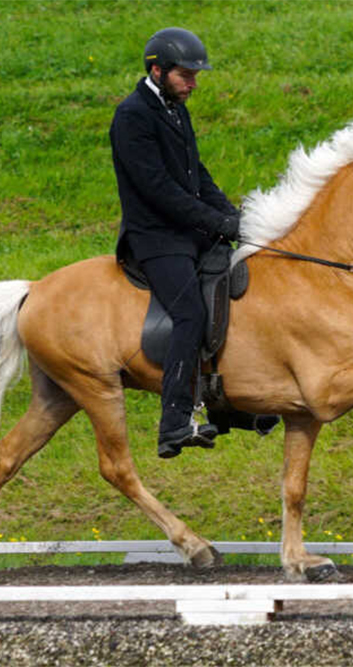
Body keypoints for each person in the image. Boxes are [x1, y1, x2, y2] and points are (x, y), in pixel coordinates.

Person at [110, 27, 241, 459]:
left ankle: (233, 407)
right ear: (157, 70)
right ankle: (174, 423)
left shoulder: (176, 109)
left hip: (187, 231)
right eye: (186, 75)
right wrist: (214, 221)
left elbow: (196, 175)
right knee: (189, 313)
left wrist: (234, 217)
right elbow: (159, 191)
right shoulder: (132, 116)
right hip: (155, 238)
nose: (193, 84)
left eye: (195, 76)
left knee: (237, 285)